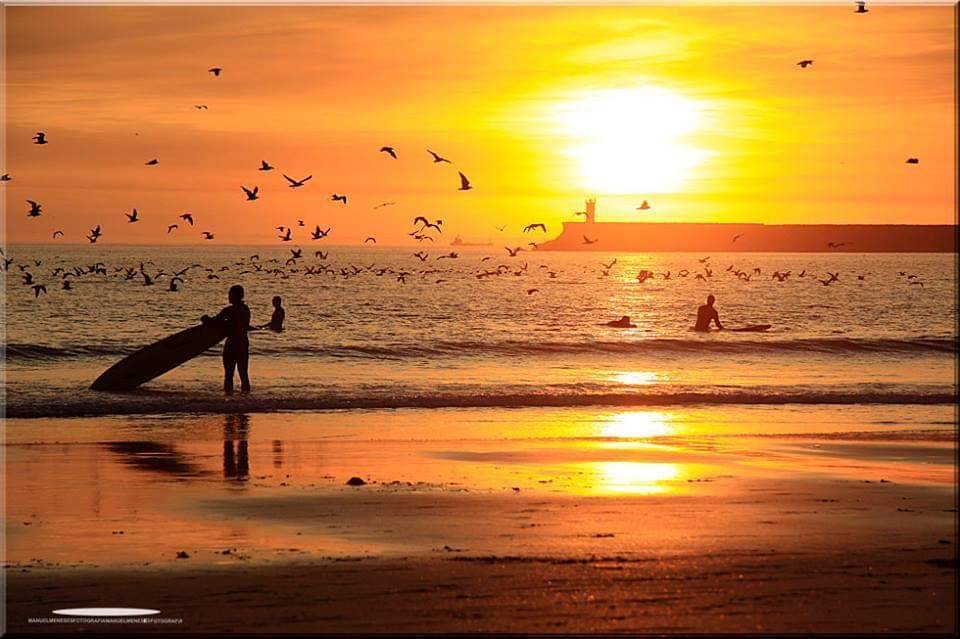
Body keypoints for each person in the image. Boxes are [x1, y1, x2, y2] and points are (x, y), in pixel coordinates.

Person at [203, 285, 255, 394]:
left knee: (229, 374)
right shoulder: (246, 310)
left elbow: (214, 322)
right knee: (243, 374)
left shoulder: (229, 310)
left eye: (230, 294)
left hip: (232, 344)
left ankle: (228, 397)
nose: (228, 296)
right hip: (243, 343)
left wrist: (205, 319)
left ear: (235, 296)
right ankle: (246, 398)